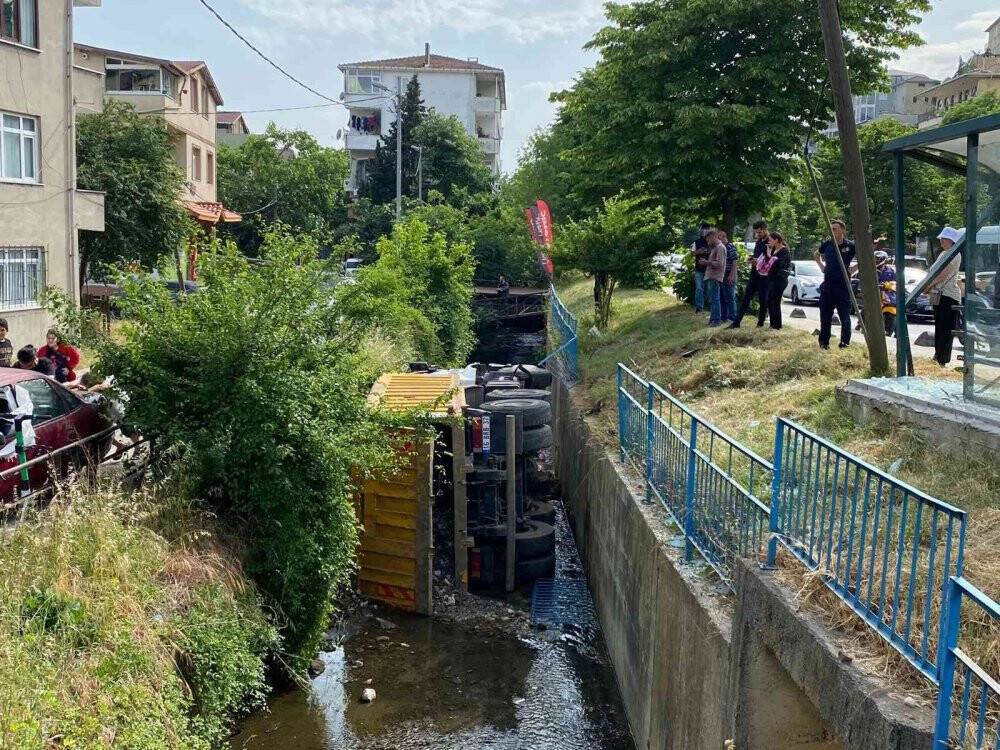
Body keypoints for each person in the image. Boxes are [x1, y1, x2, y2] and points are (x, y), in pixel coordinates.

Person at [814, 220, 857, 349]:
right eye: (831, 229)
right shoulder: (827, 244)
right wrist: (821, 266)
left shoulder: (850, 245)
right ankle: (824, 343)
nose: (832, 231)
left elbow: (863, 257)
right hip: (828, 285)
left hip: (843, 287)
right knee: (825, 317)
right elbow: (817, 254)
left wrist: (853, 269)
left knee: (844, 317)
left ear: (842, 230)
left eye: (835, 229)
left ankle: (844, 343)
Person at [928, 227, 964, 366]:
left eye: (944, 238)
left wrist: (928, 286)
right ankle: (937, 355)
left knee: (946, 329)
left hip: (949, 295)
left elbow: (943, 274)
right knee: (938, 326)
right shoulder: (943, 253)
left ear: (951, 240)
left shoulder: (955, 254)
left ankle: (943, 359)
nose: (941, 241)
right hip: (938, 294)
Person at [730, 220, 769, 328]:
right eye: (756, 233)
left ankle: (760, 324)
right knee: (746, 297)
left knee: (763, 299)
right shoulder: (759, 241)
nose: (757, 235)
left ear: (765, 229)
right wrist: (752, 258)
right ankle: (736, 322)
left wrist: (759, 261)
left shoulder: (770, 242)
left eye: (759, 232)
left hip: (764, 275)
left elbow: (771, 259)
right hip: (754, 273)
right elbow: (758, 254)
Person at [759, 232, 792, 329]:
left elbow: (778, 264)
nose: (769, 241)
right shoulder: (773, 249)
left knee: (775, 301)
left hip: (780, 279)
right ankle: (772, 324)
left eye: (770, 240)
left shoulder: (784, 251)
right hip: (772, 278)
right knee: (770, 301)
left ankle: (777, 326)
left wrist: (770, 256)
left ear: (776, 240)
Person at [704, 229, 727, 326]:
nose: (708, 242)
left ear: (714, 237)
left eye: (708, 240)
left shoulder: (720, 248)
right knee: (713, 299)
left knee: (715, 299)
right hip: (711, 276)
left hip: (715, 277)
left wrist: (707, 262)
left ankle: (716, 320)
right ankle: (713, 320)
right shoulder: (715, 247)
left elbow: (720, 264)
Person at [690, 223, 714, 312]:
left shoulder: (713, 242)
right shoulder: (697, 242)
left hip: (710, 269)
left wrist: (708, 251)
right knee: (699, 288)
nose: (705, 232)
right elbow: (691, 253)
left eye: (707, 230)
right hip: (699, 269)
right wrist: (698, 252)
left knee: (709, 289)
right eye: (704, 230)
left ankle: (711, 307)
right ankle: (699, 307)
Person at [874, 251, 897, 337]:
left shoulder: (891, 271)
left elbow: (895, 282)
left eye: (879, 259)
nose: (877, 260)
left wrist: (888, 285)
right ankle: (861, 323)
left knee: (896, 308)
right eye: (876, 258)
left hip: (887, 294)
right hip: (875, 293)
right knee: (869, 306)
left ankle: (896, 330)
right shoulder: (871, 270)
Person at [719, 231, 739, 323]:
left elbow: (735, 262)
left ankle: (732, 317)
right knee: (722, 296)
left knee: (730, 297)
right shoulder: (721, 247)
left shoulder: (730, 247)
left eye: (719, 237)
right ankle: (724, 316)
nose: (718, 239)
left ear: (724, 237)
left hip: (728, 273)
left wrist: (732, 275)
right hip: (722, 274)